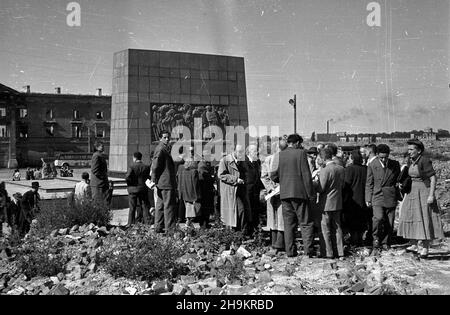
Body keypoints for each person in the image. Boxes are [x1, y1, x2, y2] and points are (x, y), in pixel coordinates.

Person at [397, 139, 444, 258]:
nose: (409, 152)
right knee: (409, 215)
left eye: (412, 149)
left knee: (424, 217)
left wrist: (431, 195)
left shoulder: (424, 161)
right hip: (412, 191)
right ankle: (413, 244)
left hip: (423, 191)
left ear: (419, 150)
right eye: (408, 149)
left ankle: (425, 247)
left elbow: (433, 179)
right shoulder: (410, 160)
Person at [270, 134, 315, 258]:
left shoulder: (280, 154)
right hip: (300, 193)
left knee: (289, 224)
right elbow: (306, 176)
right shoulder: (301, 154)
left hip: (285, 194)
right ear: (296, 143)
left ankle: (290, 251)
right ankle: (308, 251)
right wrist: (311, 194)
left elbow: (273, 175)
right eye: (300, 143)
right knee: (306, 223)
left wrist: (284, 180)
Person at [366, 144, 400, 251]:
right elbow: (369, 183)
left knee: (390, 221)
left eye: (386, 157)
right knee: (378, 218)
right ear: (377, 155)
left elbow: (398, 180)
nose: (384, 159)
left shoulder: (395, 164)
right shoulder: (372, 165)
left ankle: (386, 241)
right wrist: (368, 198)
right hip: (377, 195)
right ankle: (375, 238)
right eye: (381, 157)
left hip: (390, 195)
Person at [313, 148, 345, 259]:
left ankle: (328, 252)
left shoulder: (324, 170)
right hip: (337, 202)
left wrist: (314, 183)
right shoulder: (341, 169)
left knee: (325, 228)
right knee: (337, 228)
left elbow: (321, 188)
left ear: (322, 158)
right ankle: (340, 251)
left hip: (325, 203)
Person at [218, 144, 252, 236]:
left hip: (241, 190)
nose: (241, 154)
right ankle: (237, 234)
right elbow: (221, 175)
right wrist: (236, 179)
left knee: (243, 212)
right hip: (231, 191)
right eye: (239, 152)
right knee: (238, 212)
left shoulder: (242, 161)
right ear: (234, 151)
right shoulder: (225, 160)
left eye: (242, 152)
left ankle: (241, 234)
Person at [261, 141, 285, 252]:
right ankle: (274, 241)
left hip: (283, 191)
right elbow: (264, 176)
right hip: (272, 192)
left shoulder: (286, 159)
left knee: (281, 217)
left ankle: (280, 243)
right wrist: (270, 188)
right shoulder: (268, 160)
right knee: (272, 217)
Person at [151, 131, 177, 234]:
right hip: (166, 182)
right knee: (169, 206)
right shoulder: (161, 149)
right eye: (165, 137)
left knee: (160, 206)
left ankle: (158, 227)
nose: (167, 139)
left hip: (163, 182)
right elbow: (155, 165)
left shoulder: (164, 148)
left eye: (168, 137)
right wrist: (154, 178)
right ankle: (170, 229)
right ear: (160, 138)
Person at [343, 150, 368, 247]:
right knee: (361, 221)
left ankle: (354, 241)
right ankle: (360, 240)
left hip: (352, 199)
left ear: (352, 158)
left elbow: (346, 184)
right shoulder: (365, 169)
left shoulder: (349, 169)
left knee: (352, 221)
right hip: (363, 197)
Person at [126, 152, 151, 226]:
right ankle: (147, 223)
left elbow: (127, 177)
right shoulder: (146, 167)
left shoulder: (132, 166)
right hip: (143, 188)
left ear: (134, 158)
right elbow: (148, 177)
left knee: (132, 207)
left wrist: (130, 184)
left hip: (133, 189)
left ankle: (130, 223)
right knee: (144, 206)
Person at [245, 144, 264, 233]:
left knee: (255, 210)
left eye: (256, 150)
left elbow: (259, 175)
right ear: (249, 151)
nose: (256, 152)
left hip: (256, 190)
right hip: (247, 190)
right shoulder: (244, 161)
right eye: (254, 150)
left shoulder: (257, 162)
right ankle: (248, 230)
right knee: (248, 210)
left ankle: (255, 229)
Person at [177, 159, 201, 228]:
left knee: (188, 208)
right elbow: (195, 184)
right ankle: (188, 224)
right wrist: (198, 195)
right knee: (191, 209)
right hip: (192, 193)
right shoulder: (194, 172)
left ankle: (188, 223)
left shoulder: (182, 171)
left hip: (184, 192)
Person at [198, 150, 215, 229]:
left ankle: (205, 223)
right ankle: (204, 224)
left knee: (206, 208)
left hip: (207, 190)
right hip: (204, 190)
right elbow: (203, 178)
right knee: (205, 208)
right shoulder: (202, 165)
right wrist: (211, 178)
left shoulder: (206, 164)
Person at [91, 141, 110, 207]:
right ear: (97, 147)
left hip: (101, 183)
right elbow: (94, 170)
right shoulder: (96, 156)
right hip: (98, 184)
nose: (103, 147)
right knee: (98, 203)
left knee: (102, 203)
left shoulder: (100, 155)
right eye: (102, 146)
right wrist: (103, 177)